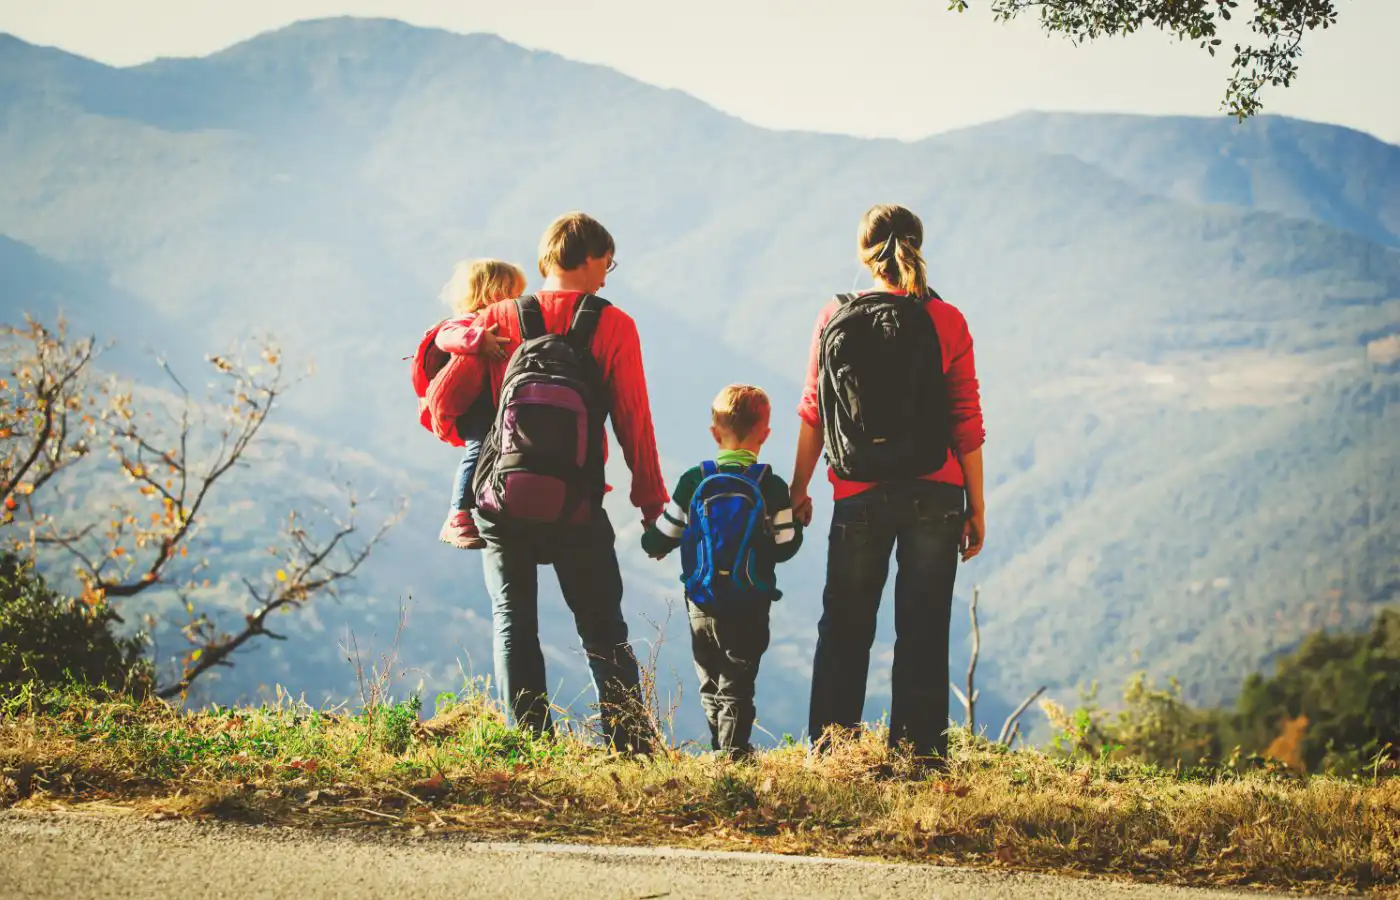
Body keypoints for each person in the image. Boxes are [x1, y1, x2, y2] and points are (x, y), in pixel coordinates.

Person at [426, 212, 668, 753]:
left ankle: (530, 747)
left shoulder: (498, 318)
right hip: (578, 505)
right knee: (603, 627)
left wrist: (479, 437)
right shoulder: (614, 325)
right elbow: (634, 420)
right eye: (607, 261)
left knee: (514, 622)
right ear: (588, 258)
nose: (608, 274)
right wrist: (651, 504)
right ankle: (630, 745)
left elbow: (440, 402)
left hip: (503, 502)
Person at [790, 203, 986, 768]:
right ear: (919, 246)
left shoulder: (834, 314)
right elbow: (965, 419)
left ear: (863, 253)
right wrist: (977, 506)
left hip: (857, 493)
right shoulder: (946, 320)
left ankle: (831, 753)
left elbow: (813, 410)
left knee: (846, 625)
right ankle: (920, 758)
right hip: (937, 492)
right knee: (923, 626)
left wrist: (800, 488)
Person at [641, 384, 803, 759]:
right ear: (765, 434)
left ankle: (721, 749)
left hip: (701, 601)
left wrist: (652, 536)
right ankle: (732, 756)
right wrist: (798, 521)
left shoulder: (692, 481)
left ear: (714, 433)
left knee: (710, 682)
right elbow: (785, 548)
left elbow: (658, 542)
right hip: (750, 601)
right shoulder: (772, 486)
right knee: (738, 683)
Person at [430, 260, 524, 549]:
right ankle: (457, 514)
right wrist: (478, 338)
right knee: (478, 449)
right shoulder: (465, 322)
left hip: (498, 402)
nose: (517, 301)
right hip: (475, 404)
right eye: (513, 293)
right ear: (493, 292)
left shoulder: (509, 322)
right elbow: (445, 338)